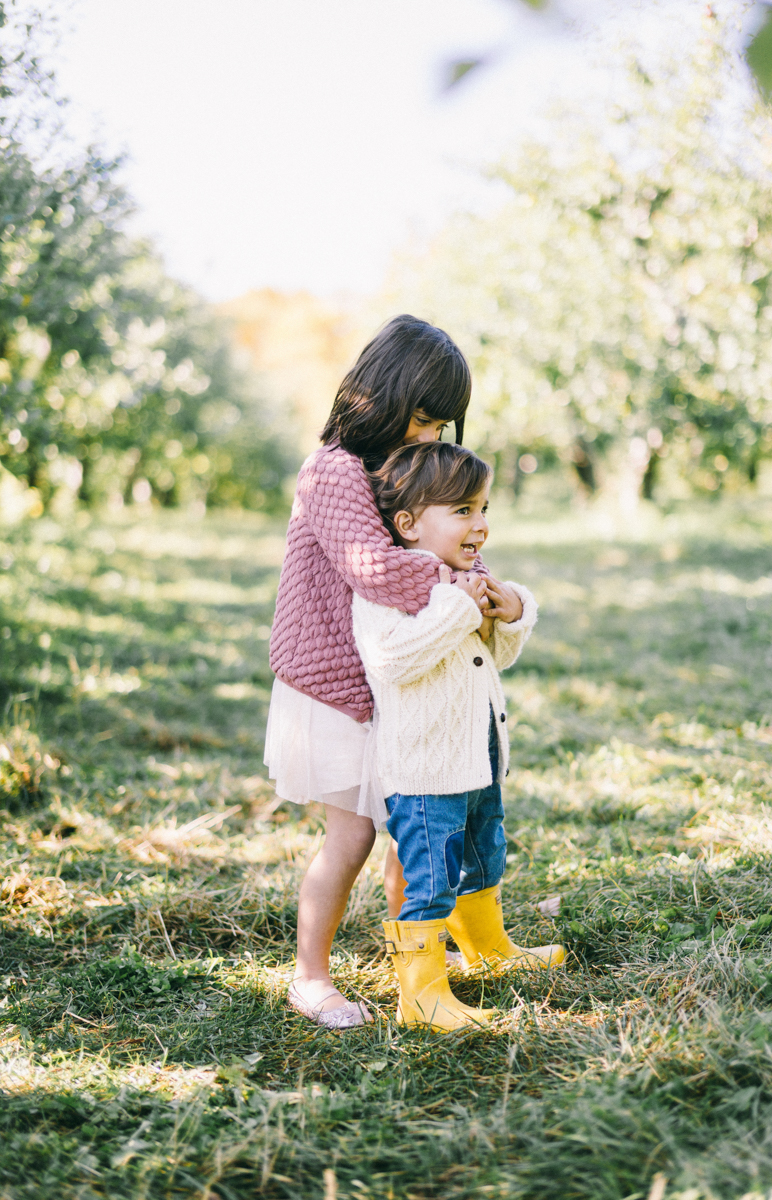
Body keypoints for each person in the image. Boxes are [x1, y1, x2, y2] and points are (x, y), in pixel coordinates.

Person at [266, 314, 490, 1029]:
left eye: (441, 425)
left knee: (411, 823)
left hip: (394, 683)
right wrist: (457, 584)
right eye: (423, 418)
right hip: (333, 684)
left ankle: (413, 958)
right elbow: (380, 570)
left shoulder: (403, 469)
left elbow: (451, 544)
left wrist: (472, 578)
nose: (430, 436)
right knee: (352, 834)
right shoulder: (332, 470)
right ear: (385, 396)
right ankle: (310, 977)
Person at [352, 441, 566, 1031]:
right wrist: (456, 607)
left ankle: (489, 949)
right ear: (409, 524)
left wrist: (512, 608)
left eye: (484, 508)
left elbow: (495, 653)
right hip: (425, 774)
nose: (481, 524)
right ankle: (420, 997)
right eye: (464, 510)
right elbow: (394, 660)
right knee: (433, 877)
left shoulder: (464, 580)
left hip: (478, 760)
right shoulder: (384, 589)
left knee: (483, 853)